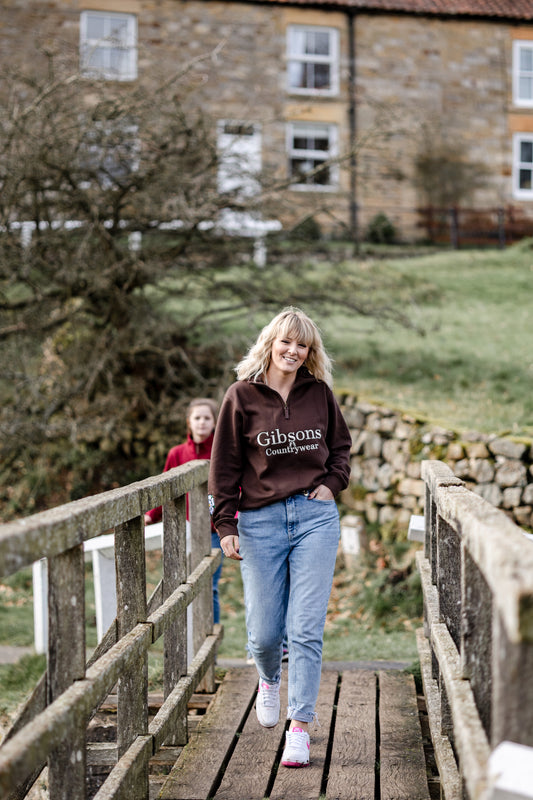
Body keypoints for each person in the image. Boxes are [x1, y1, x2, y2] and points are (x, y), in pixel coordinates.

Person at [208, 307, 351, 768]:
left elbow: (341, 449)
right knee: (267, 633)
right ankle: (269, 677)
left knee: (305, 628)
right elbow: (224, 465)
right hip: (259, 522)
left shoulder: (320, 395)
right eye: (286, 342)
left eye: (303, 345)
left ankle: (300, 728)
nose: (293, 351)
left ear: (311, 352)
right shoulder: (241, 397)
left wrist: (331, 484)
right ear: (270, 343)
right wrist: (225, 524)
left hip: (314, 518)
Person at [145, 398, 223, 624]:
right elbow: (166, 490)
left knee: (210, 586)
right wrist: (152, 514)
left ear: (215, 422)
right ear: (189, 422)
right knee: (184, 586)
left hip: (215, 531)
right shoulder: (177, 454)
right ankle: (189, 639)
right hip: (186, 529)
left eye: (207, 418)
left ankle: (210, 644)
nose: (202, 423)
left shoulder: (222, 452)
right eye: (197, 418)